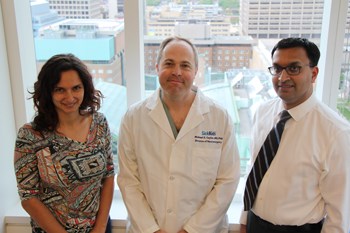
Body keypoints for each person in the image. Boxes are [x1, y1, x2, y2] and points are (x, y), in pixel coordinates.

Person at [117, 36, 241, 233]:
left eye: (185, 65)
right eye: (169, 63)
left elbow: (227, 180)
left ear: (195, 72)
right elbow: (128, 180)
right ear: (157, 67)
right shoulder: (134, 117)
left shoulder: (219, 117)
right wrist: (151, 229)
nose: (176, 72)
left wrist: (192, 230)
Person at [240, 37, 350, 233]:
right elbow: (254, 169)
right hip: (254, 224)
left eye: (294, 68)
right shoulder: (262, 111)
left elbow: (339, 214)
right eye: (277, 68)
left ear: (314, 73)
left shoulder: (336, 133)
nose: (283, 78)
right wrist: (244, 218)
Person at [14, 53, 115, 233]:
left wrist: (100, 228)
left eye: (76, 88)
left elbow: (108, 174)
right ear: (48, 92)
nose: (69, 97)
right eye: (59, 90)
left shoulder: (99, 123)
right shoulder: (30, 135)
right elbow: (28, 196)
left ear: (86, 88)